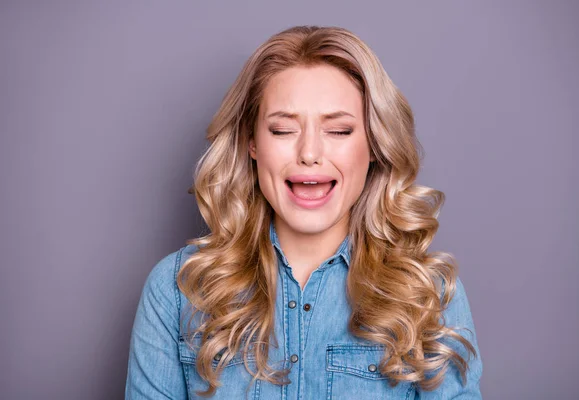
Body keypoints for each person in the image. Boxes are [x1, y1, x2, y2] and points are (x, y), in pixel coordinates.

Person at [125, 25, 483, 399]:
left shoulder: (427, 294)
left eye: (339, 130)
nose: (309, 153)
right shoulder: (176, 291)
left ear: (375, 144)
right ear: (252, 143)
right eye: (282, 130)